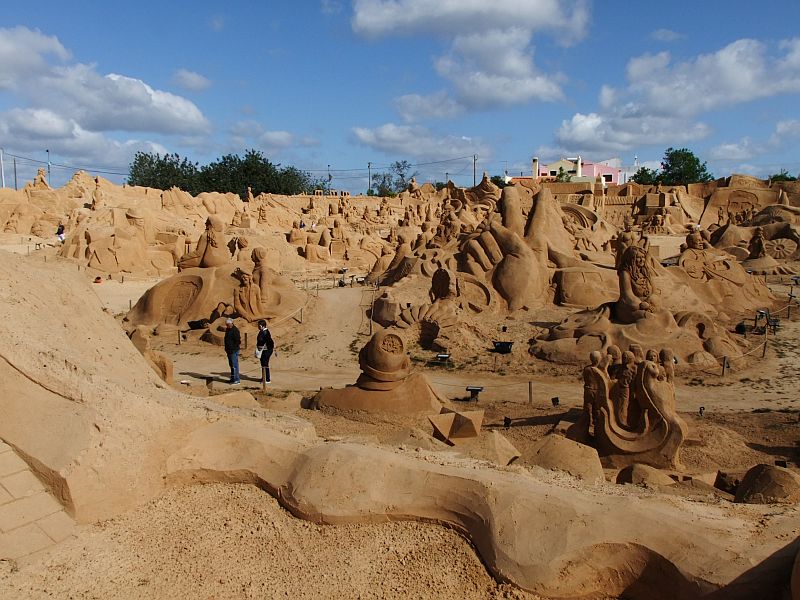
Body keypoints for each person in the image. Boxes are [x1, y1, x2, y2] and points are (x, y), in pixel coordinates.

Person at [256, 319, 275, 384]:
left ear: (262, 326)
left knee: (265, 364)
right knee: (263, 364)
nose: (258, 327)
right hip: (264, 350)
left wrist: (260, 348)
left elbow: (264, 342)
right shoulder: (262, 331)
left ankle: (267, 379)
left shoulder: (265, 332)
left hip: (266, 350)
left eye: (259, 326)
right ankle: (264, 377)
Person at [224, 318, 241, 384]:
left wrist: (233, 348)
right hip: (229, 350)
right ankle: (232, 378)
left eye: (227, 324)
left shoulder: (235, 330)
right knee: (231, 365)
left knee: (234, 365)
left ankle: (237, 379)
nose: (227, 326)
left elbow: (238, 341)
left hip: (233, 351)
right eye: (226, 324)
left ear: (231, 323)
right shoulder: (228, 330)